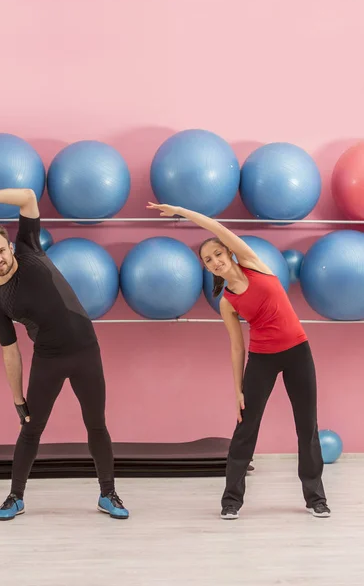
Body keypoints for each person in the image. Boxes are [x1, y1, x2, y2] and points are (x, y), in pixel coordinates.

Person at [0, 189, 129, 521]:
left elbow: (28, 197)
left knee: (96, 425)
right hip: (47, 360)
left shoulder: (29, 249)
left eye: (1, 250)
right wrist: (17, 397)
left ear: (9, 246)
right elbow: (10, 352)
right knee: (31, 429)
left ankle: (109, 494)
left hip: (85, 352)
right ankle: (15, 498)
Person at [147, 201, 330, 520]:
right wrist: (238, 391)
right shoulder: (226, 302)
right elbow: (236, 348)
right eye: (208, 260)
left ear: (228, 253)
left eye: (217, 254)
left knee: (307, 427)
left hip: (298, 351)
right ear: (206, 268)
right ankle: (231, 501)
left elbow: (217, 229)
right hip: (262, 359)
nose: (215, 261)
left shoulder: (252, 263)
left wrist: (182, 212)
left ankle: (315, 498)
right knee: (246, 428)